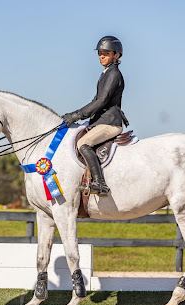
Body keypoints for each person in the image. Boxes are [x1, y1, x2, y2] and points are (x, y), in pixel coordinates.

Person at [62, 35, 127, 196]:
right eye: (100, 53)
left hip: (110, 123)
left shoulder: (114, 74)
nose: (102, 56)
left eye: (106, 53)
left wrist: (78, 115)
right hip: (100, 121)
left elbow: (103, 100)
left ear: (116, 55)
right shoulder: (105, 74)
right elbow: (95, 100)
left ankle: (100, 183)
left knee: (83, 144)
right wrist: (77, 114)